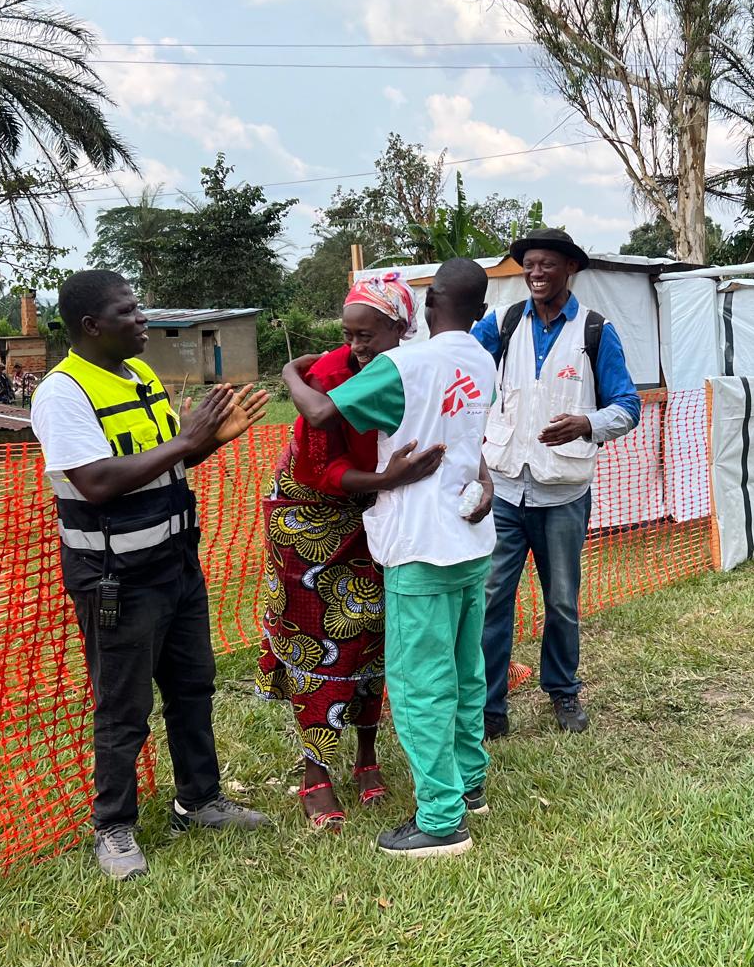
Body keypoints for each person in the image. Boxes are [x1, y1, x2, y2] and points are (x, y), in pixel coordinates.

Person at [31, 268, 273, 881]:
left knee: (194, 687)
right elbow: (98, 481)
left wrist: (210, 441)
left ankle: (199, 800)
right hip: (115, 577)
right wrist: (188, 439)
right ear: (91, 326)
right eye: (128, 312)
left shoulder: (139, 375)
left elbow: (166, 460)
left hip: (175, 564)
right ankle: (113, 828)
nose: (143, 320)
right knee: (123, 707)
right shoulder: (63, 393)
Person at [282, 258, 497, 858]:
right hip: (471, 536)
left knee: (420, 682)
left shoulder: (406, 365)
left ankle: (442, 819)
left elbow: (321, 411)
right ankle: (470, 782)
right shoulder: (482, 358)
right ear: (479, 312)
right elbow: (469, 438)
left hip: (420, 545)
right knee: (464, 669)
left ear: (424, 312)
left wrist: (288, 374)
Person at [261, 272, 444, 832]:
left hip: (374, 514)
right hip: (309, 520)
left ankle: (367, 755)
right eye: (349, 335)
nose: (357, 346)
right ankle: (315, 770)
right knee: (322, 646)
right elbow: (321, 466)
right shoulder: (329, 373)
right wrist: (388, 479)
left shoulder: (413, 370)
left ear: (401, 328)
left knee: (373, 637)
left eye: (368, 335)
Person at [472, 228, 640, 737]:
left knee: (562, 600)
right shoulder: (501, 324)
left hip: (562, 493)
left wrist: (587, 423)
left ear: (570, 269)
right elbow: (459, 364)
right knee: (493, 598)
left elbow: (627, 405)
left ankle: (563, 693)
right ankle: (490, 707)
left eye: (547, 264)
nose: (536, 273)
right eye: (530, 265)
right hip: (504, 490)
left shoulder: (594, 331)